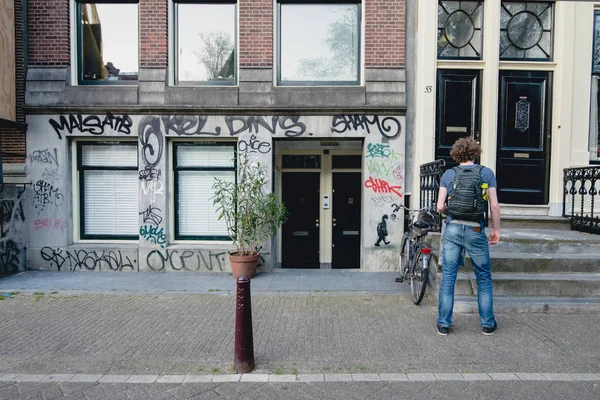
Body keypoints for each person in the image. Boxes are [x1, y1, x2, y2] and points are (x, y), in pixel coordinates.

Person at [435, 137, 501, 336]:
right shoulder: (486, 173)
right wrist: (496, 230)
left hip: (453, 228)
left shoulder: (449, 174)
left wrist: (451, 212)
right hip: (475, 229)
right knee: (483, 277)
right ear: (475, 153)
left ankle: (444, 324)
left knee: (448, 277)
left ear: (456, 154)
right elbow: (494, 205)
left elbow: (439, 207)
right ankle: (487, 324)